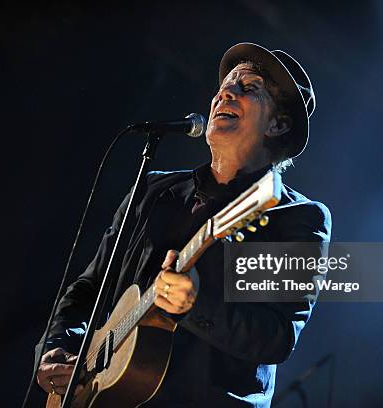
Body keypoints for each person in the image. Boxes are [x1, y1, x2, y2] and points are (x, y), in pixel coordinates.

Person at [34, 42, 331, 407]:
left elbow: (276, 336)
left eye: (248, 88)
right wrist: (57, 346)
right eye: (225, 86)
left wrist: (194, 305)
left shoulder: (295, 217)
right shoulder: (153, 189)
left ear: (278, 123)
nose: (226, 92)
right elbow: (89, 286)